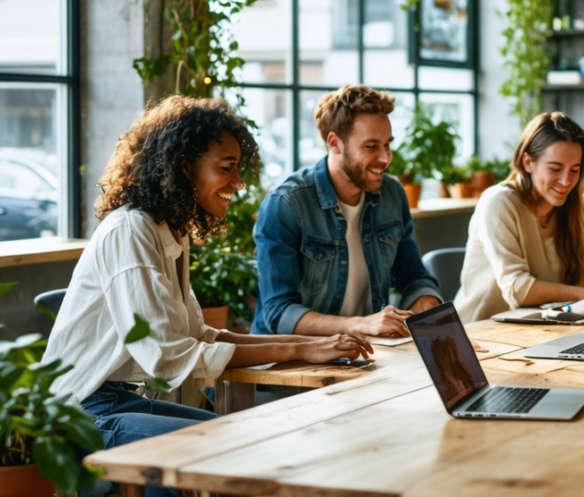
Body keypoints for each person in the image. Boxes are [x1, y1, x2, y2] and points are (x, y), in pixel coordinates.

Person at [42, 96, 372, 497]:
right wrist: (297, 349)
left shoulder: (169, 231)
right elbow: (165, 356)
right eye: (226, 168)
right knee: (223, 445)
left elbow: (200, 335)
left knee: (235, 433)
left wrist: (308, 345)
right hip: (80, 413)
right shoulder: (130, 231)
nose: (237, 182)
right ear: (185, 167)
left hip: (117, 401)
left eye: (238, 168)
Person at [252, 85, 442, 337]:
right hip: (290, 363)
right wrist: (361, 325)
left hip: (363, 354)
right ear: (335, 144)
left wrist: (431, 312)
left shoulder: (392, 193)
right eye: (371, 146)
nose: (385, 158)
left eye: (387, 144)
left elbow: (413, 277)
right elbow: (279, 312)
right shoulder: (287, 204)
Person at [453, 112, 584, 323]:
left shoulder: (576, 205)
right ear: (528, 162)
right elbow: (517, 290)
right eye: (555, 169)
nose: (566, 181)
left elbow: (578, 286)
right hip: (481, 333)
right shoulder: (499, 201)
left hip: (545, 327)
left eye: (575, 170)